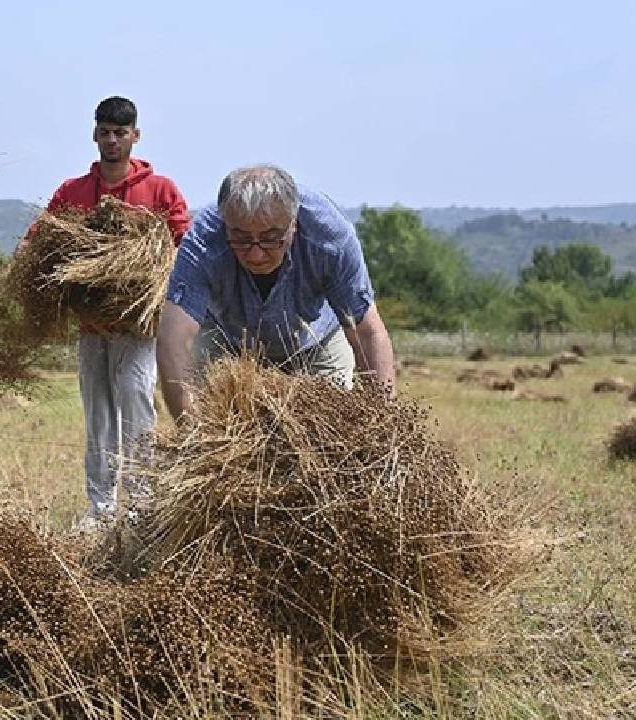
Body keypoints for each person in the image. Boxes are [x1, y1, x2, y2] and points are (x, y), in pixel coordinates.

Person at [38, 96, 190, 526]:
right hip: (91, 327)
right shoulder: (73, 193)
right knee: (98, 413)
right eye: (105, 132)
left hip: (138, 326)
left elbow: (183, 238)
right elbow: (44, 235)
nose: (111, 140)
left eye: (120, 133)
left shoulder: (160, 190)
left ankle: (141, 505)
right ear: (94, 134)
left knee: (136, 400)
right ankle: (100, 509)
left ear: (135, 136)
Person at [157, 164, 396, 422]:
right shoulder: (202, 241)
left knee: (327, 440)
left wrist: (384, 425)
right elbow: (173, 339)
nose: (256, 254)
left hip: (316, 344)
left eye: (271, 239)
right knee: (220, 433)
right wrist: (193, 433)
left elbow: (367, 331)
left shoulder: (330, 239)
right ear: (226, 225)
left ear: (293, 224)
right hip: (228, 342)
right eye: (242, 239)